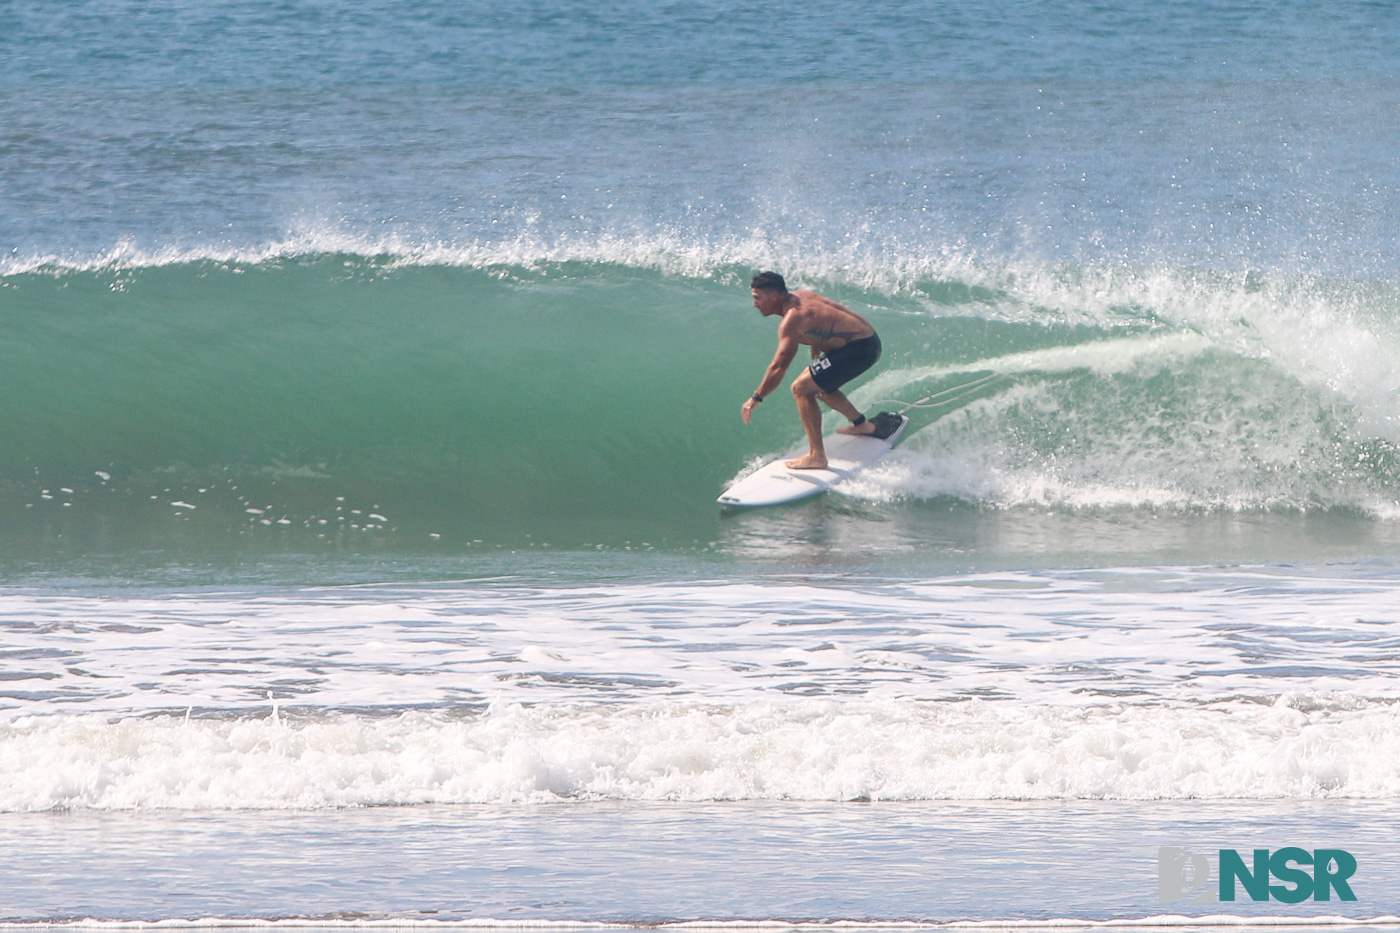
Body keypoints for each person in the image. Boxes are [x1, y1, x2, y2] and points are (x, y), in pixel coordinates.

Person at [740, 271, 884, 469]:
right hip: (868, 341)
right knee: (820, 387)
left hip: (859, 350)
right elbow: (828, 317)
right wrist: (818, 343)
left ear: (774, 295)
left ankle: (817, 456)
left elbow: (779, 367)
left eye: (758, 298)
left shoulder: (792, 318)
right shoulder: (801, 295)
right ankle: (861, 425)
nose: (755, 304)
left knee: (801, 388)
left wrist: (756, 398)